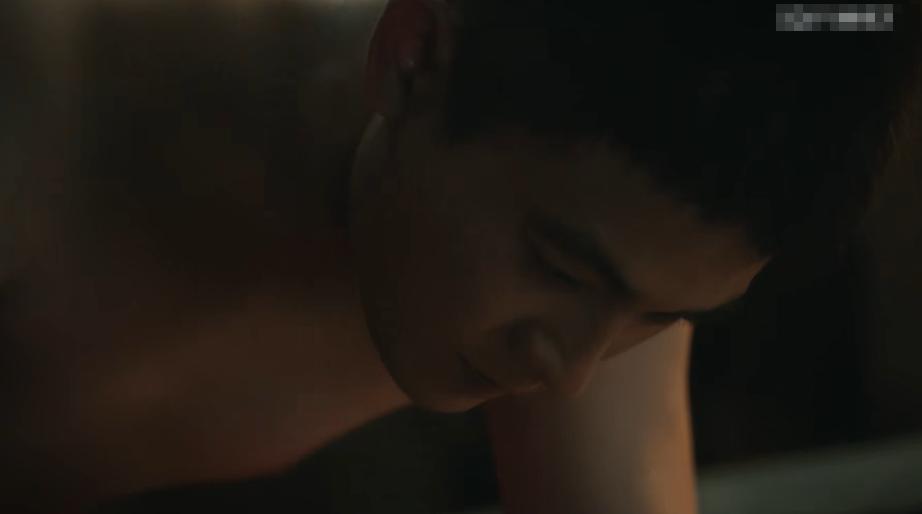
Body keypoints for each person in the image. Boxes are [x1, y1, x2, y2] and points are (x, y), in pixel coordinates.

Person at [1, 0, 918, 512]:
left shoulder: (608, 224)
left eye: (660, 314)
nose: (570, 370)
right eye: (560, 268)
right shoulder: (41, 121)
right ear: (414, 54)